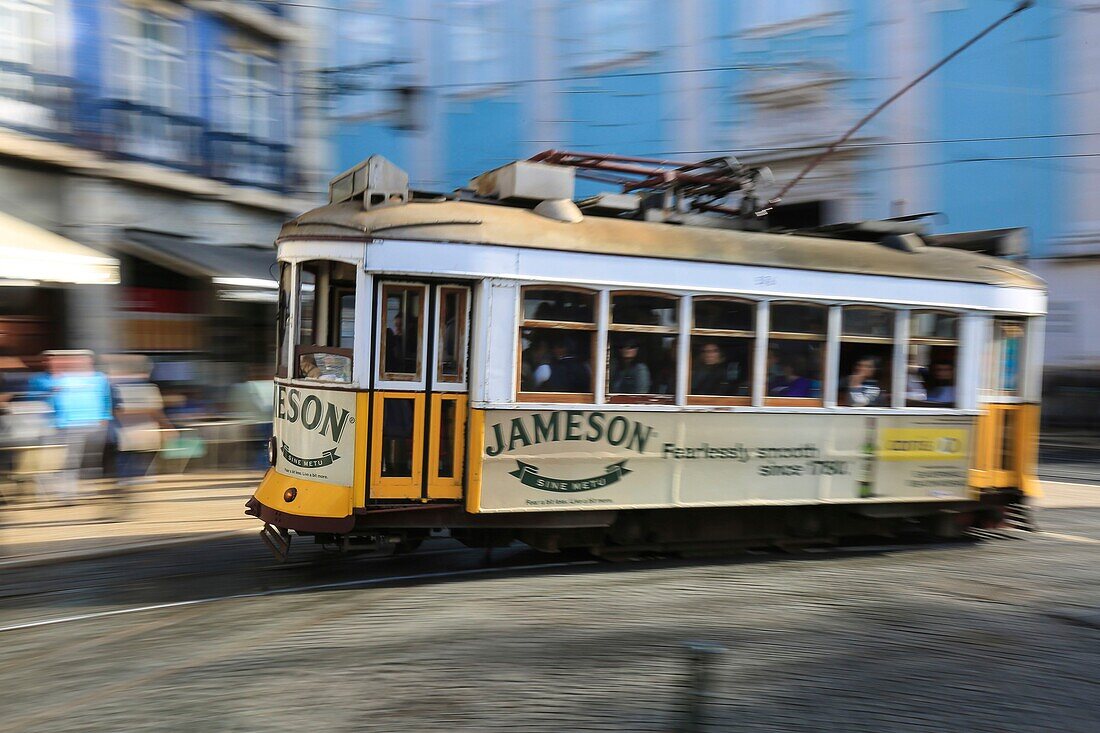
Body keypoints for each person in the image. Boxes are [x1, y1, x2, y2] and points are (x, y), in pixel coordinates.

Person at [29, 351, 111, 504]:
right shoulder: (40, 379)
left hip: (76, 425)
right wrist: (50, 392)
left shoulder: (89, 378)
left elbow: (103, 398)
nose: (56, 363)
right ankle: (47, 492)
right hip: (50, 425)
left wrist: (104, 417)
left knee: (77, 460)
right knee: (52, 460)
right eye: (51, 361)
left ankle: (68, 493)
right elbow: (32, 398)